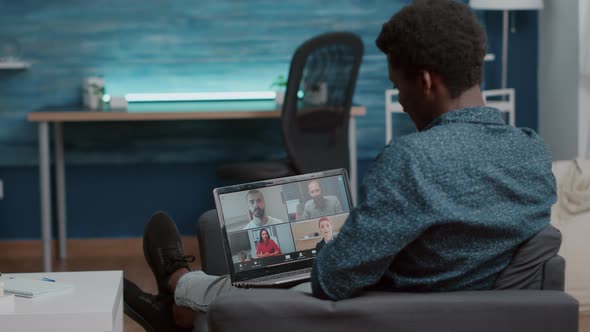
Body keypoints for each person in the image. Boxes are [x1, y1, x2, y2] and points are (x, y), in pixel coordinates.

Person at [123, 1, 557, 330]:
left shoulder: (411, 160)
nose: (402, 101)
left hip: (380, 305)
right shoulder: (533, 152)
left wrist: (329, 252)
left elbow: (332, 280)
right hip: (457, 298)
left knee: (241, 285)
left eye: (398, 86)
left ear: (426, 81)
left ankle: (175, 284)